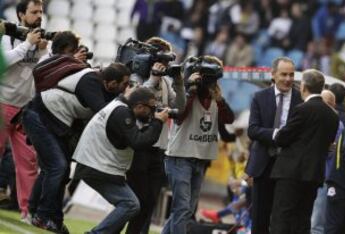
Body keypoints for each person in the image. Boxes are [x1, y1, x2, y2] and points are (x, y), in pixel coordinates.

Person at [22, 31, 131, 233]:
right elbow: (103, 113)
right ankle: (43, 216)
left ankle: (48, 216)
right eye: (123, 85)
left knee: (57, 171)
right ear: (111, 82)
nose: (125, 89)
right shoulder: (91, 81)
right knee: (58, 167)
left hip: (53, 120)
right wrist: (128, 102)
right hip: (39, 114)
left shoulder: (103, 85)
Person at [73, 87, 168, 234]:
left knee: (130, 204)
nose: (152, 113)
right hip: (96, 167)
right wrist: (157, 122)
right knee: (130, 204)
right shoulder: (122, 113)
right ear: (139, 106)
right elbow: (138, 142)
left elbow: (133, 137)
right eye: (151, 109)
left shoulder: (120, 108)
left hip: (95, 165)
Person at [161, 55, 234, 234]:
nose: (210, 81)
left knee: (185, 210)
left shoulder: (216, 97)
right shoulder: (186, 92)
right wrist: (190, 89)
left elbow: (228, 119)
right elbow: (179, 117)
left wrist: (220, 100)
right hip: (180, 157)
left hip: (200, 159)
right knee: (183, 209)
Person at [126, 37, 186, 234]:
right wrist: (153, 78)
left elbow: (179, 109)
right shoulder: (137, 77)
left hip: (159, 147)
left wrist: (178, 83)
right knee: (137, 199)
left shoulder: (168, 83)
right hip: (140, 145)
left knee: (150, 200)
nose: (166, 64)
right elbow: (133, 100)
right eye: (162, 59)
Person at [270, 69, 339, 234]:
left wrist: (277, 132)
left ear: (303, 87)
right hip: (314, 175)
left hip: (291, 174)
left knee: (281, 217)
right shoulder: (333, 116)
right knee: (302, 220)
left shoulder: (302, 109)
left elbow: (282, 138)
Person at [0, 0, 48, 221]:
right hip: (1, 103)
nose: (39, 15)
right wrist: (27, 44)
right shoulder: (6, 33)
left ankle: (28, 212)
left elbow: (36, 71)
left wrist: (41, 52)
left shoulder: (40, 39)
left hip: (25, 108)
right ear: (21, 14)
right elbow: (5, 62)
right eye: (34, 12)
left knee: (28, 161)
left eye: (41, 11)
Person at [246, 57, 302, 234]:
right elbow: (253, 130)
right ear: (273, 75)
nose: (288, 79)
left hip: (288, 167)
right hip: (263, 165)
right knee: (260, 218)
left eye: (291, 75)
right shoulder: (259, 97)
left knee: (282, 219)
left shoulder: (301, 99)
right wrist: (277, 134)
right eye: (284, 74)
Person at [311, 90, 344, 234]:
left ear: (332, 105)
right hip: (313, 175)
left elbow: (329, 151)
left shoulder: (336, 124)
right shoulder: (318, 121)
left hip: (324, 178)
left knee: (317, 222)